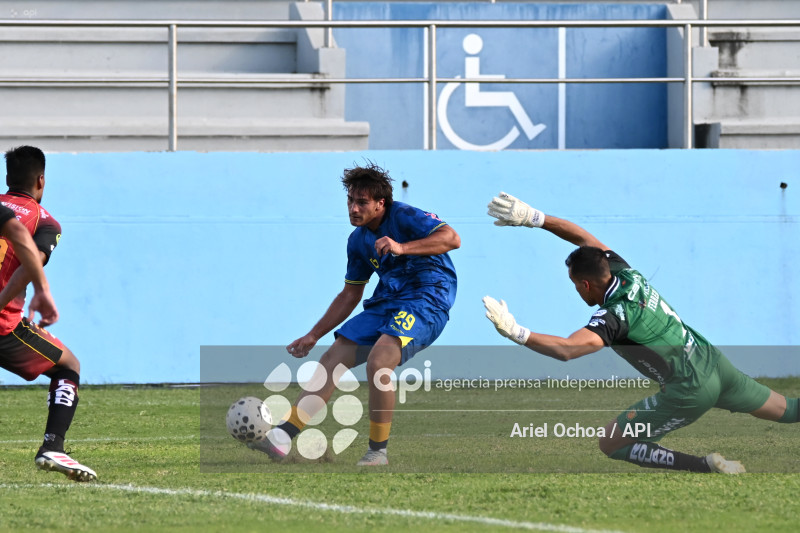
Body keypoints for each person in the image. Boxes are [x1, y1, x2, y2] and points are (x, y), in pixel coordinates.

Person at [482, 191, 798, 474]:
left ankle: (704, 467)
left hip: (689, 388)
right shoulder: (626, 273)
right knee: (788, 409)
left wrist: (516, 332)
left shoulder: (614, 316)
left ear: (585, 284)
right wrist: (535, 218)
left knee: (611, 443)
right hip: (715, 364)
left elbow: (568, 349)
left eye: (575, 285)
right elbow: (584, 239)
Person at [251, 163, 460, 466]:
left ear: (381, 204)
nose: (353, 208)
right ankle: (282, 437)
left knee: (379, 361)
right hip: (388, 301)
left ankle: (378, 452)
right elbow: (350, 294)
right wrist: (313, 335)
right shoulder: (358, 241)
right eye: (350, 200)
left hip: (428, 297)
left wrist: (401, 247)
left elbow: (452, 238)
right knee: (332, 359)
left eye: (361, 202)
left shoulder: (404, 215)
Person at [0, 146, 96, 482]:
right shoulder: (43, 220)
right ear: (41, 180)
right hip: (4, 326)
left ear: (7, 177)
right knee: (68, 365)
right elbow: (30, 263)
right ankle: (53, 445)